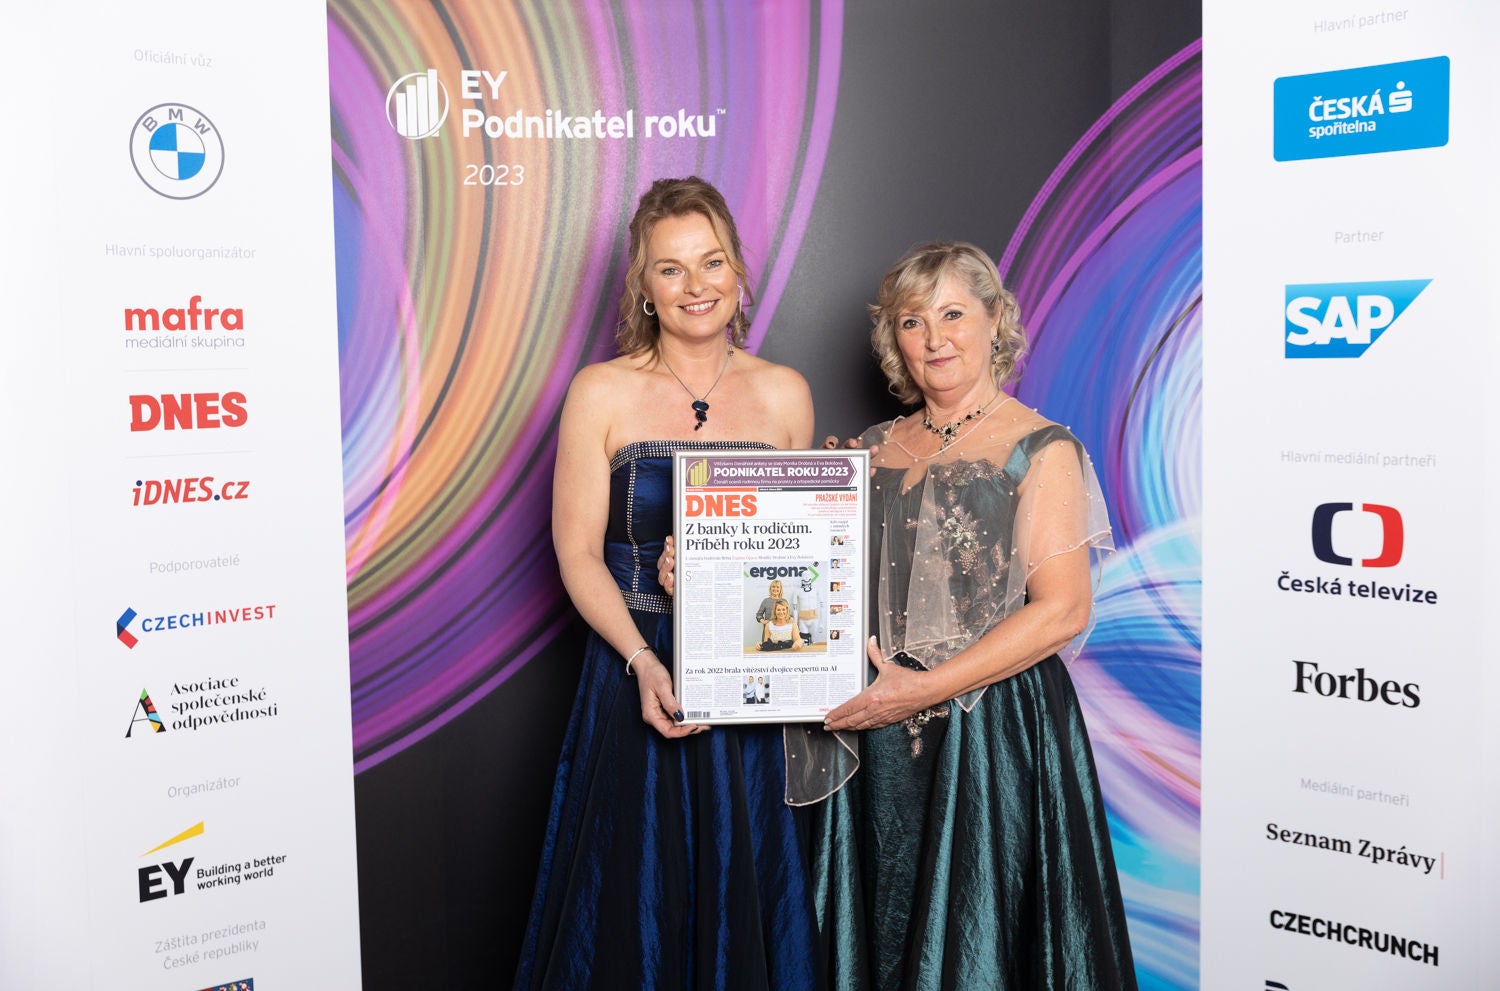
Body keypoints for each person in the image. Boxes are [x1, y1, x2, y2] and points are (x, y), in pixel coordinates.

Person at [799, 242, 1136, 989]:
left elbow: (1063, 611)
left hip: (992, 735)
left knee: (982, 937)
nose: (935, 339)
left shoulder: (1041, 447)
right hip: (876, 734)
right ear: (895, 340)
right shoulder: (869, 449)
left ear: (994, 320)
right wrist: (707, 559)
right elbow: (811, 584)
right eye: (912, 321)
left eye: (953, 314)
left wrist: (925, 688)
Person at [515, 177, 820, 990]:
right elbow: (577, 552)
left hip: (751, 680)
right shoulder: (602, 390)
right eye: (671, 268)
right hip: (638, 670)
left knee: (745, 894)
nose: (696, 285)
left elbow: (800, 561)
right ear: (643, 286)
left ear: (738, 270)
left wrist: (737, 573)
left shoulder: (785, 392)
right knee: (631, 905)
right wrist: (643, 662)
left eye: (711, 262)